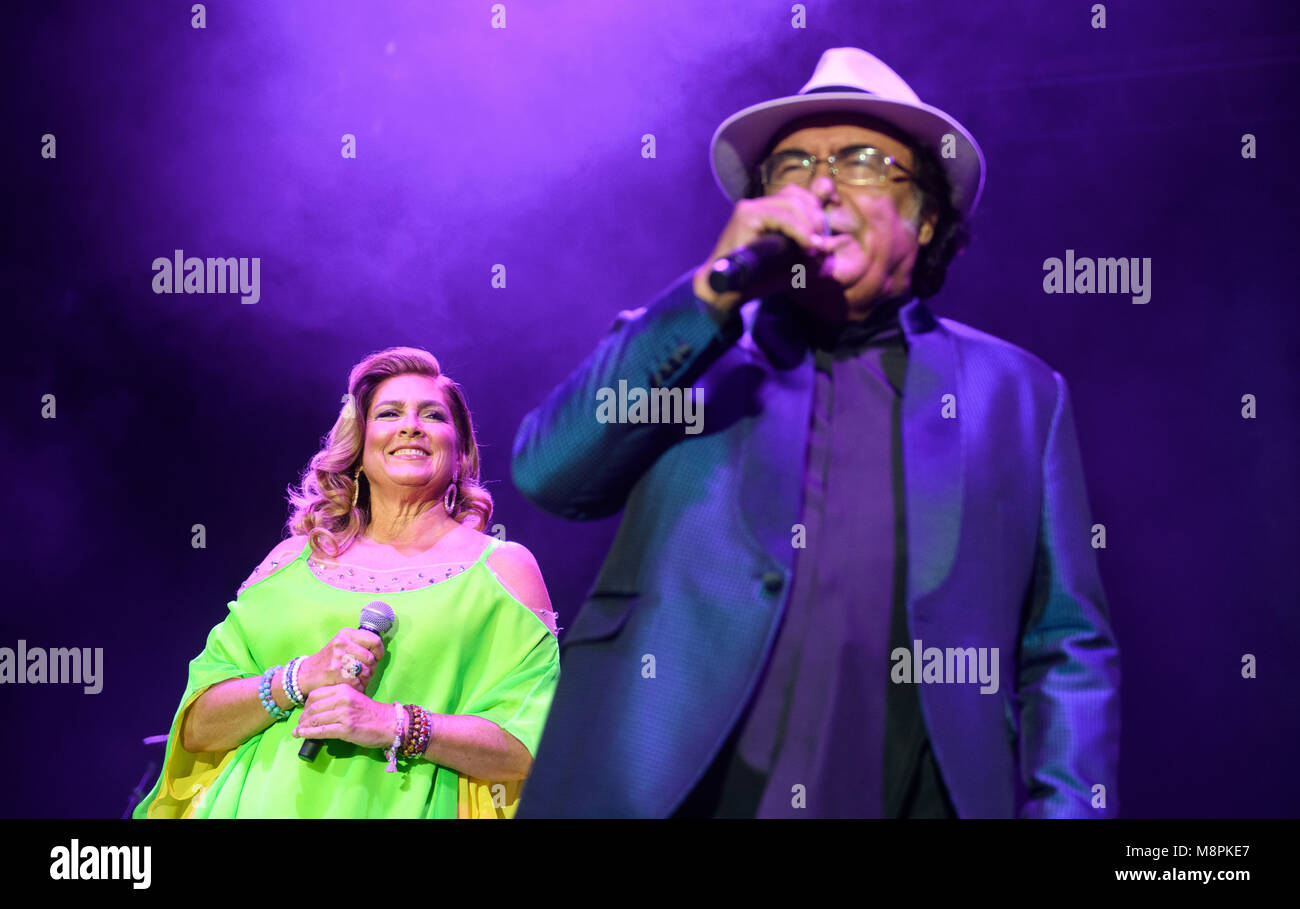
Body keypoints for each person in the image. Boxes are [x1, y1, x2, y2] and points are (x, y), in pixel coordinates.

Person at [512, 48, 1120, 818]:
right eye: (792, 164)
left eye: (863, 161)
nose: (821, 183)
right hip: (663, 793)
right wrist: (710, 292)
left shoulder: (1017, 394)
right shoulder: (687, 346)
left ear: (927, 217)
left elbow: (1065, 647)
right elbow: (549, 473)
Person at [134, 347, 560, 818]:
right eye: (389, 413)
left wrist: (394, 724)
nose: (410, 426)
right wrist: (298, 678)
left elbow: (532, 746)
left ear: (460, 452)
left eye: (432, 415)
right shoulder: (290, 562)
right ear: (358, 448)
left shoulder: (502, 571)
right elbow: (196, 727)